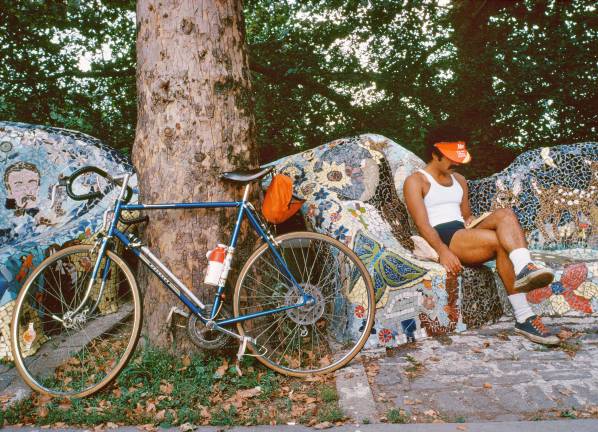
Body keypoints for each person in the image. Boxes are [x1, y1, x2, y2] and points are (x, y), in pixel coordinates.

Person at [403, 124, 560, 345]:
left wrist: (474, 222)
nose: (456, 163)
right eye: (450, 158)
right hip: (446, 235)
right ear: (434, 154)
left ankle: (525, 266)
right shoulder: (416, 181)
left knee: (505, 214)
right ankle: (525, 317)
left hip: (464, 231)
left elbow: (466, 216)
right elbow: (423, 225)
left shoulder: (459, 180)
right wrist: (443, 252)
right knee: (500, 243)